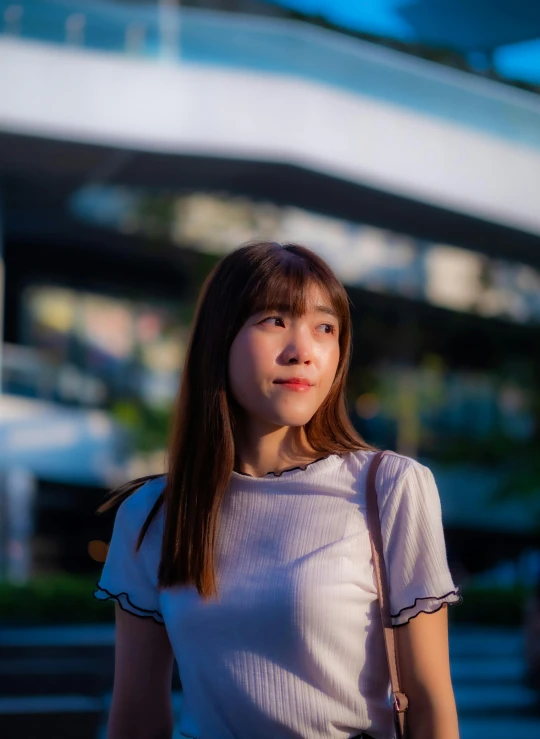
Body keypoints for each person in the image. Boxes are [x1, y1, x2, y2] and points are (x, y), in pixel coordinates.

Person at [94, 241, 461, 739]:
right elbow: (135, 718)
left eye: (324, 328)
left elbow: (431, 705)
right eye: (274, 321)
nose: (303, 351)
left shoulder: (389, 487)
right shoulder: (152, 514)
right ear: (218, 339)